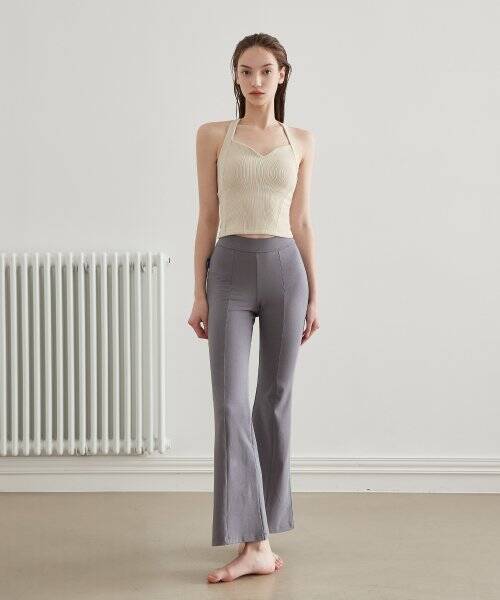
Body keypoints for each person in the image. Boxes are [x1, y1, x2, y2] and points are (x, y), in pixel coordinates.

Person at [187, 32, 320, 583]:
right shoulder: (214, 135)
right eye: (246, 71)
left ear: (282, 75)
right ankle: (255, 544)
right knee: (229, 403)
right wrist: (199, 291)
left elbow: (301, 220)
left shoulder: (301, 140)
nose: (256, 80)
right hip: (230, 272)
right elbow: (207, 215)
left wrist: (316, 293)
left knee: (275, 400)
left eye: (266, 71)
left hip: (287, 271)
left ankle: (258, 540)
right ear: (236, 76)